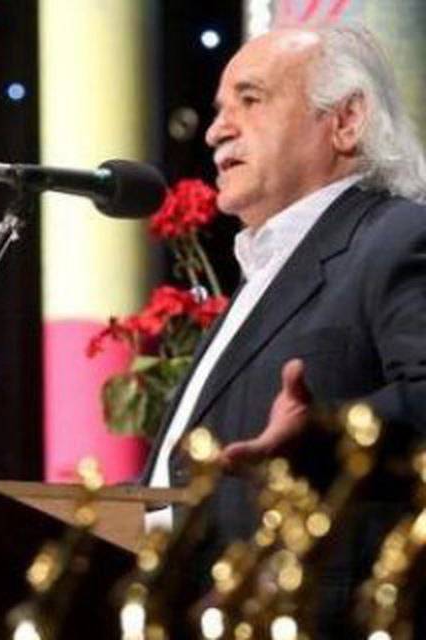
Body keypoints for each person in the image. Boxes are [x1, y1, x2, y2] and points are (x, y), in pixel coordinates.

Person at [142, 24, 426, 638]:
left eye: (250, 99)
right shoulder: (261, 275)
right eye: (219, 108)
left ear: (345, 121)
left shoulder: (400, 237)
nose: (217, 130)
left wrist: (327, 434)